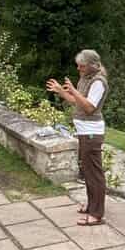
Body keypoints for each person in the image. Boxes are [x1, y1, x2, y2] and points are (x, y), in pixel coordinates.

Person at [47, 49, 108, 226]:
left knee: (94, 173)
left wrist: (73, 90)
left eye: (81, 66)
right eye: (78, 66)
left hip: (92, 133)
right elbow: (77, 102)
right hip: (84, 131)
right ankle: (91, 206)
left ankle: (97, 214)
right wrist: (61, 91)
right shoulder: (85, 77)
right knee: (87, 171)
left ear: (92, 66)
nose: (78, 69)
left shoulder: (99, 82)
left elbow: (89, 107)